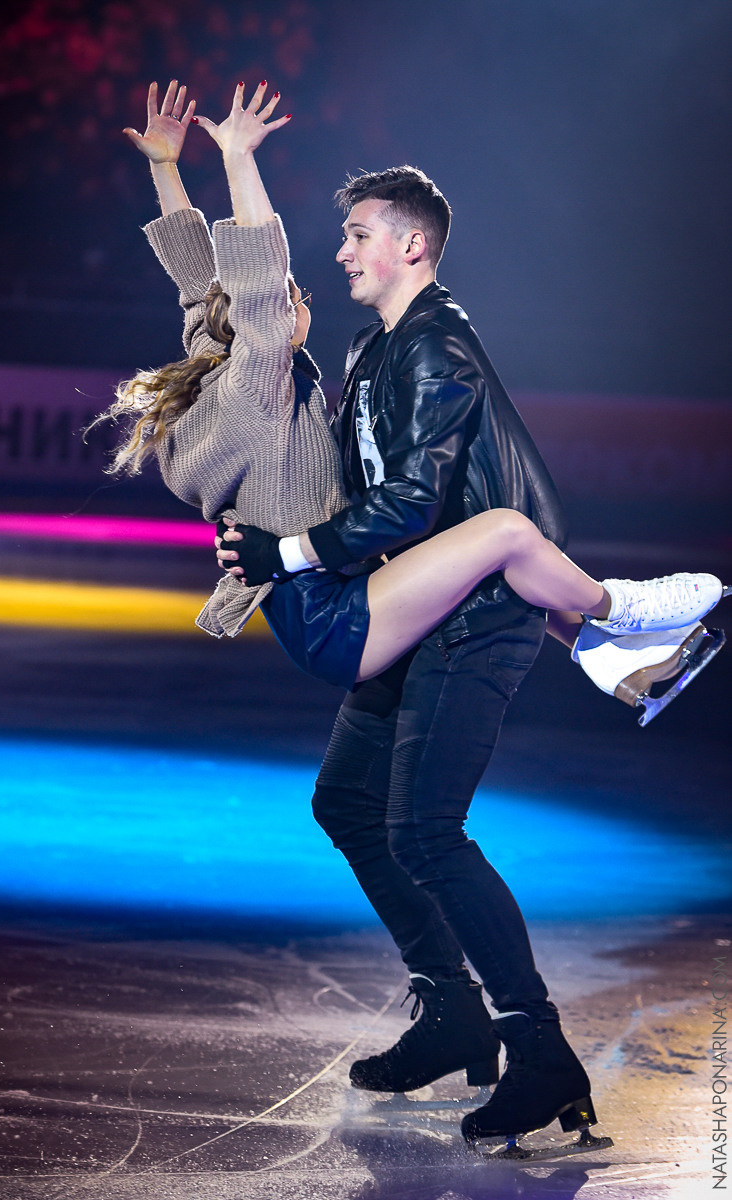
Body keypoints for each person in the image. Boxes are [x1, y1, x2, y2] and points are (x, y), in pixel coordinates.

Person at [102, 81, 724, 1145]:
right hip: (342, 609)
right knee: (506, 549)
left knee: (354, 804)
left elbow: (202, 284)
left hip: (345, 608)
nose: (303, 282)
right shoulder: (260, 382)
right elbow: (243, 271)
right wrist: (235, 156)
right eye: (286, 283)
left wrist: (167, 168)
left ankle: (455, 1014)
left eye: (339, 251)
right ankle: (620, 630)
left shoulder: (232, 386)